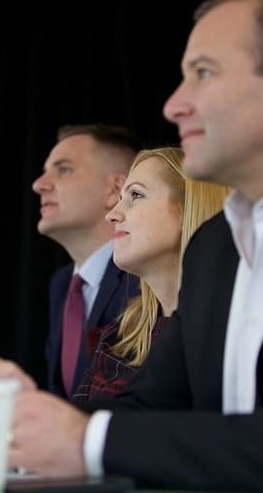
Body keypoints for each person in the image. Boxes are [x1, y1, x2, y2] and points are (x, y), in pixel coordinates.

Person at [0, 0, 263, 490]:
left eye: (204, 73)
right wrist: (30, 414)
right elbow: (149, 408)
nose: (174, 105)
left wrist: (86, 440)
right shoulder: (216, 246)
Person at [72, 147, 228, 401]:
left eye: (136, 195)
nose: (112, 215)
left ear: (188, 208)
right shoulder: (121, 332)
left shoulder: (227, 333)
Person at [33, 123, 141, 399]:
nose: (39, 184)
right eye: (45, 171)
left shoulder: (142, 279)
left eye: (64, 169)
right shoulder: (61, 285)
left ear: (115, 189)